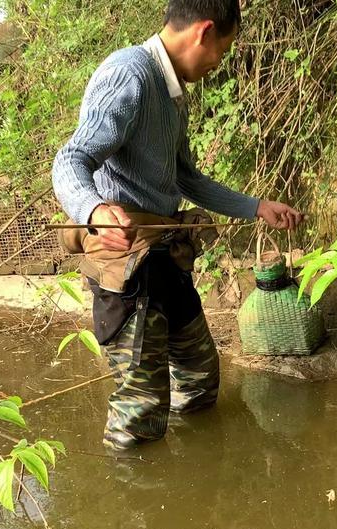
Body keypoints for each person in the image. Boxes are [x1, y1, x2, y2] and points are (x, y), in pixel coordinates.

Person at [52, 0, 303, 450]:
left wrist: (255, 206)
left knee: (201, 379)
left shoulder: (172, 92)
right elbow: (72, 158)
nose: (216, 64)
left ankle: (194, 474)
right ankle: (139, 498)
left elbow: (184, 175)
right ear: (203, 32)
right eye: (222, 52)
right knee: (142, 409)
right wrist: (93, 212)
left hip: (166, 254)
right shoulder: (130, 74)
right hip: (126, 264)